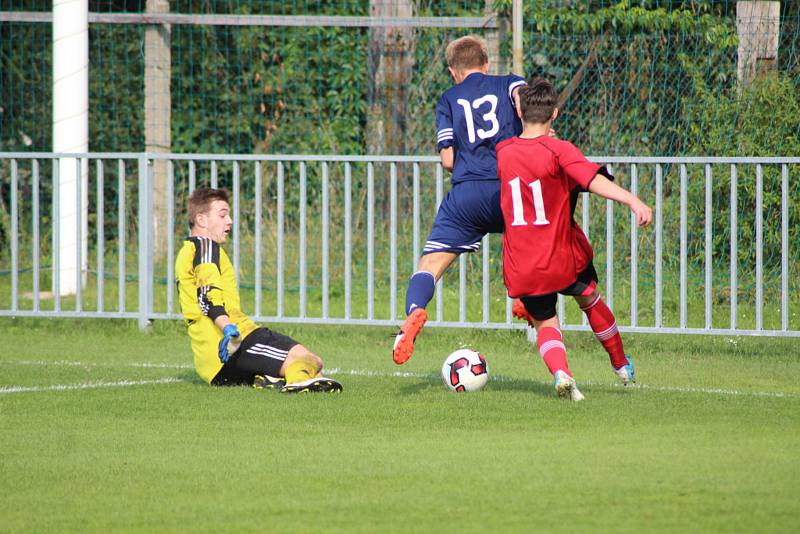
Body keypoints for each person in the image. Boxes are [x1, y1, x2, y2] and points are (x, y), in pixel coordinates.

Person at [496, 77, 652, 401]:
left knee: (546, 322)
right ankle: (621, 364)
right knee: (590, 299)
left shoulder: (504, 151)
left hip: (523, 263)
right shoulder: (559, 149)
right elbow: (593, 181)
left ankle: (561, 372)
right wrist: (632, 200)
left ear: (520, 111)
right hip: (562, 255)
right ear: (554, 113)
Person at [392, 35, 527, 365]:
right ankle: (525, 295)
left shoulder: (449, 99)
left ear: (453, 71)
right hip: (511, 187)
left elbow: (448, 159)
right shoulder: (509, 83)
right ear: (486, 62)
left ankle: (413, 313)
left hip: (467, 193)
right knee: (532, 245)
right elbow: (524, 100)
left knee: (430, 265)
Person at [175, 187, 343, 393]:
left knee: (314, 369)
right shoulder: (205, 247)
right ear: (201, 220)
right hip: (234, 344)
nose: (230, 221)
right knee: (310, 361)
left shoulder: (187, 251)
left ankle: (270, 378)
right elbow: (207, 297)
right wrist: (229, 330)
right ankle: (295, 383)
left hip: (213, 365)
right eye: (222, 215)